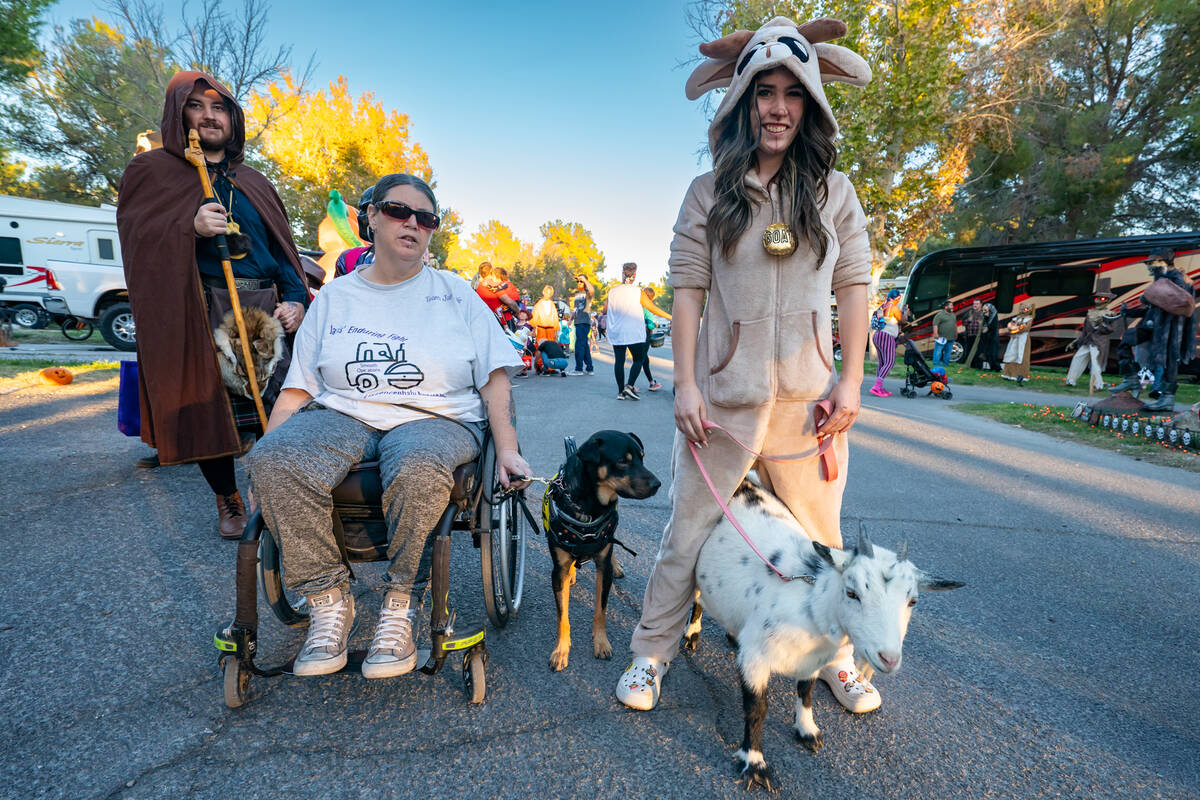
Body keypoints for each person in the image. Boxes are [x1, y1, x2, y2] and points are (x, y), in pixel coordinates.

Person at [617, 16, 874, 713]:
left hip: (808, 406)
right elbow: (689, 289)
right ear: (741, 101)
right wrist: (687, 385)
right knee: (686, 537)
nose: (779, 106)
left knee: (824, 544)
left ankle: (836, 658)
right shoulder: (707, 193)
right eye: (765, 91)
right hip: (724, 407)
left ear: (813, 102)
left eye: (794, 91)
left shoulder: (835, 193)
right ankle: (650, 653)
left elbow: (856, 285)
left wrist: (848, 381)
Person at [245, 173, 532, 678]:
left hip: (436, 416)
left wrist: (506, 450)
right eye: (400, 212)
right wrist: (262, 469)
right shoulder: (333, 299)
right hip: (344, 411)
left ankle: (401, 602)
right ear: (371, 217)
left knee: (419, 465)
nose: (414, 225)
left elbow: (494, 379)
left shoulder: (456, 294)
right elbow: (296, 390)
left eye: (426, 219)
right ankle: (329, 600)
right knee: (273, 458)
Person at [116, 70, 309, 540]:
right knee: (211, 410)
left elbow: (281, 250)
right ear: (178, 114)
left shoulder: (253, 181)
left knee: (284, 407)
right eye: (196, 107)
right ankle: (228, 496)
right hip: (201, 308)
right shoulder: (153, 172)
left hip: (265, 305)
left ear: (232, 118)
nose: (208, 116)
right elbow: (138, 243)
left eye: (218, 108)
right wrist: (189, 226)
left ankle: (277, 490)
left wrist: (298, 299)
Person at [606, 262, 667, 400]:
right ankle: (630, 386)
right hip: (633, 332)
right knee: (639, 359)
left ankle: (621, 392)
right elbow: (652, 308)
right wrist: (670, 316)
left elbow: (605, 310)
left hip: (617, 332)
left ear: (622, 274)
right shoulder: (637, 291)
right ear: (634, 275)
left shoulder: (613, 291)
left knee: (619, 361)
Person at [1065, 292, 1116, 390]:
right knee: (1078, 358)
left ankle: (1097, 385)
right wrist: (1076, 341)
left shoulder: (1109, 314)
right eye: (1096, 298)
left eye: (1101, 299)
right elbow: (1085, 330)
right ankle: (1070, 380)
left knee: (1096, 364)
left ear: (1107, 301)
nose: (1097, 300)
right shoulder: (1090, 313)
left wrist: (1102, 325)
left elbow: (1110, 329)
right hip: (1087, 341)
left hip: (1099, 342)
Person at [869, 289, 905, 397]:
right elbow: (901, 320)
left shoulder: (882, 306)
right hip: (886, 336)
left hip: (877, 335)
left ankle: (879, 386)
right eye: (899, 298)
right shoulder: (893, 307)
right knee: (889, 362)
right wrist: (905, 313)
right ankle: (877, 386)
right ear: (897, 298)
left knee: (882, 362)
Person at [567, 275, 596, 375]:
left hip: (584, 321)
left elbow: (592, 290)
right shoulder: (577, 294)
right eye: (578, 281)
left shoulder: (588, 293)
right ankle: (589, 368)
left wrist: (585, 280)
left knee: (579, 345)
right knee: (584, 345)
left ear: (585, 282)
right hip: (578, 321)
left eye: (581, 281)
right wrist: (570, 319)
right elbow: (575, 309)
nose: (579, 283)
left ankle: (578, 369)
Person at [1001, 302, 1035, 383]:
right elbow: (1010, 326)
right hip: (1014, 338)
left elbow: (1025, 328)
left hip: (1023, 339)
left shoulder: (1029, 319)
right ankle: (1009, 374)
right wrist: (1012, 328)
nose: (1023, 310)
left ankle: (1020, 375)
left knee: (1021, 356)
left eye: (1026, 308)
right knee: (1011, 354)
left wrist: (1018, 327)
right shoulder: (1016, 318)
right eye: (1022, 308)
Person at [930, 301, 958, 367]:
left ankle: (946, 364)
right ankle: (936, 363)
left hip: (951, 337)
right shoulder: (940, 315)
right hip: (941, 337)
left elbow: (955, 324)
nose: (952, 307)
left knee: (948, 352)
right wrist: (935, 333)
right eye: (951, 305)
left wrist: (956, 333)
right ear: (946, 307)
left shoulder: (953, 315)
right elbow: (935, 324)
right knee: (938, 351)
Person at [962, 299, 984, 367]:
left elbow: (988, 324)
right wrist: (968, 320)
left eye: (977, 304)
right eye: (974, 304)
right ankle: (970, 365)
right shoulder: (969, 313)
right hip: (970, 335)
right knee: (969, 350)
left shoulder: (984, 313)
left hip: (980, 336)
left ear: (981, 305)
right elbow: (963, 323)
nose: (975, 305)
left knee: (979, 351)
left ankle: (978, 366)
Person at [979, 301, 1000, 369]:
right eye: (983, 310)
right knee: (987, 353)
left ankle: (996, 367)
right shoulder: (985, 315)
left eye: (985, 310)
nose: (984, 311)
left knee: (993, 353)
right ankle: (991, 366)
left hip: (993, 337)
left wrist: (987, 318)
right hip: (986, 337)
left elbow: (992, 326)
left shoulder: (993, 315)